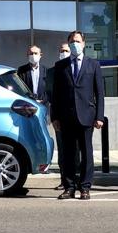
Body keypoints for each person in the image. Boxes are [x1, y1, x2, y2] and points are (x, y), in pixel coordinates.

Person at [51, 31, 105, 200]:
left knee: (86, 154)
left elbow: (100, 93)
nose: (75, 44)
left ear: (83, 43)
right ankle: (69, 187)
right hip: (66, 117)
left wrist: (99, 116)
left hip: (87, 116)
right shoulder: (61, 66)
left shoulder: (93, 64)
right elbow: (56, 94)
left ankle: (85, 187)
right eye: (72, 41)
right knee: (68, 154)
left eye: (77, 41)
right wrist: (55, 118)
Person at [46, 43, 72, 190]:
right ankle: (65, 180)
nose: (64, 53)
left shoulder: (78, 68)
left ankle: (78, 180)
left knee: (77, 151)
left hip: (77, 116)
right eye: (62, 50)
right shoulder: (52, 72)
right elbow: (50, 94)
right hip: (60, 117)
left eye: (66, 50)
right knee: (63, 151)